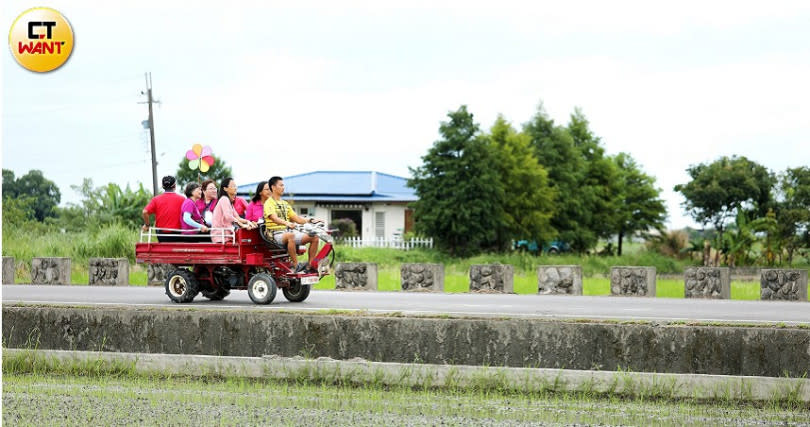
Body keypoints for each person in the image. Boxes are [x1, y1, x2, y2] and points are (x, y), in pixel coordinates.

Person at [264, 176, 322, 272]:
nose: (283, 187)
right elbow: (273, 217)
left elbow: (297, 219)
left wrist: (310, 220)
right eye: (281, 185)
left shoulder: (285, 204)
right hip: (275, 234)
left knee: (314, 237)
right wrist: (287, 223)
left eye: (283, 185)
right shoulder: (268, 203)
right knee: (291, 235)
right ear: (273, 187)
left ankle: (310, 266)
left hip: (288, 232)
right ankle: (295, 265)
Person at [211, 177, 257, 243]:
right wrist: (242, 225)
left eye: (235, 186)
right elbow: (228, 217)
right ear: (225, 188)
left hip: (227, 235)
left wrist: (248, 222)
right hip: (221, 236)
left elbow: (237, 217)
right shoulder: (224, 199)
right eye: (233, 186)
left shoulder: (230, 203)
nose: (235, 188)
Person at [141, 175, 185, 242]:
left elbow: (145, 212)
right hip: (178, 233)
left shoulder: (156, 199)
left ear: (163, 186)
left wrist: (147, 225)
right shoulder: (182, 199)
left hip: (162, 234)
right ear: (175, 186)